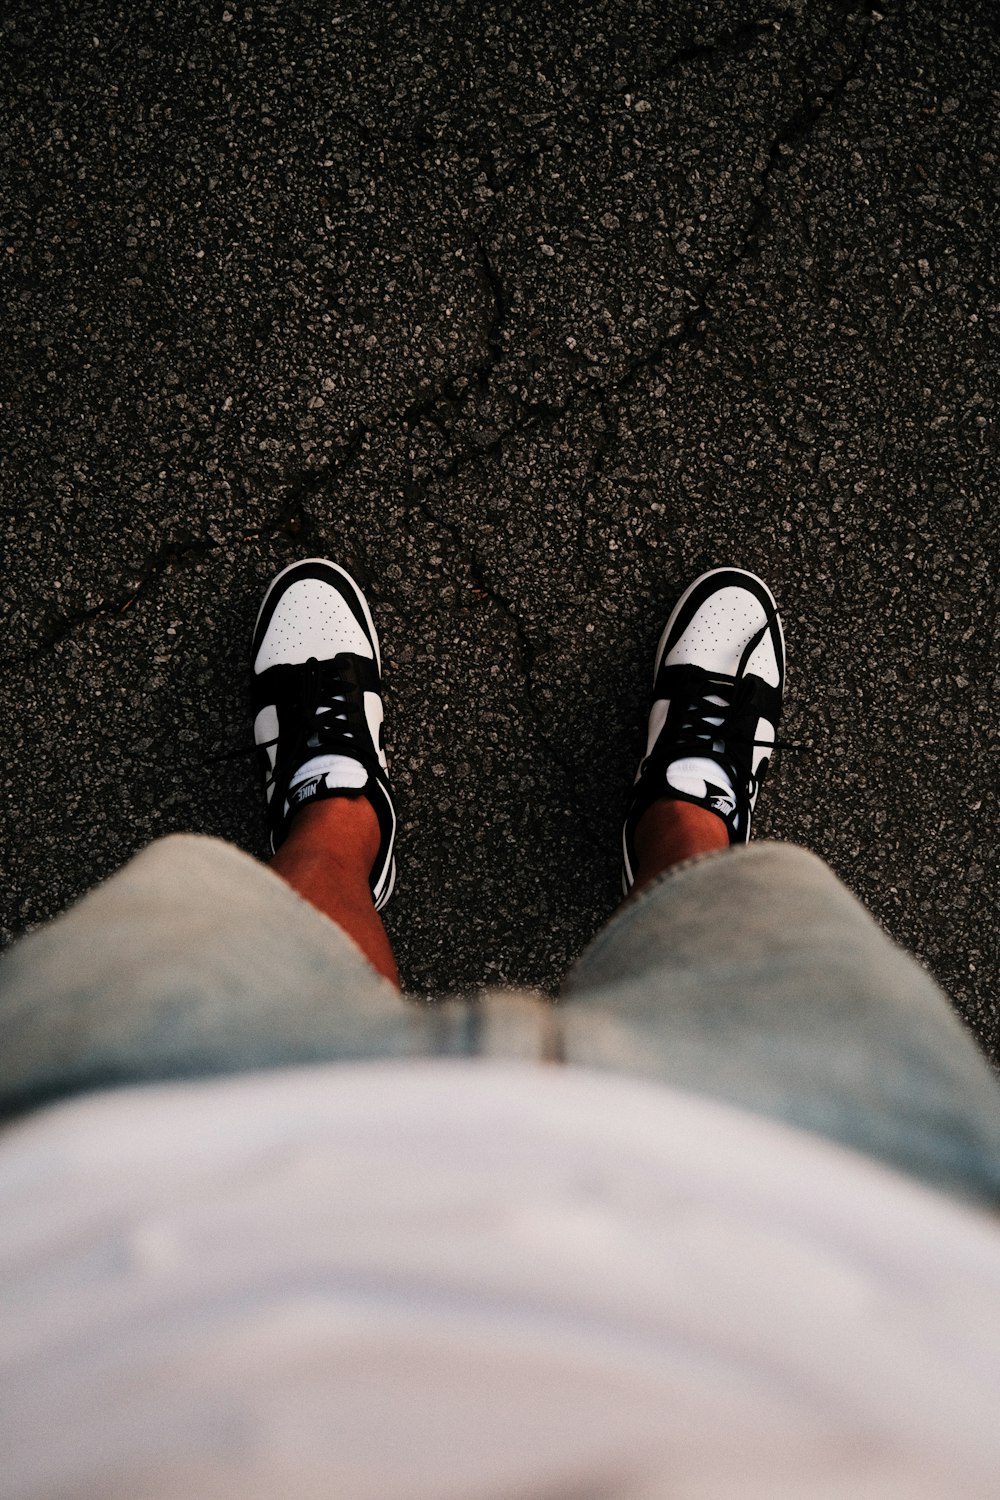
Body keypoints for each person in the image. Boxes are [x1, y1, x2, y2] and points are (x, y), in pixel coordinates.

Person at [2, 559, 1000, 1497]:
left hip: (121, 1208)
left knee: (204, 906)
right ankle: (684, 822)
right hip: (841, 1242)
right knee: (770, 905)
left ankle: (334, 819)